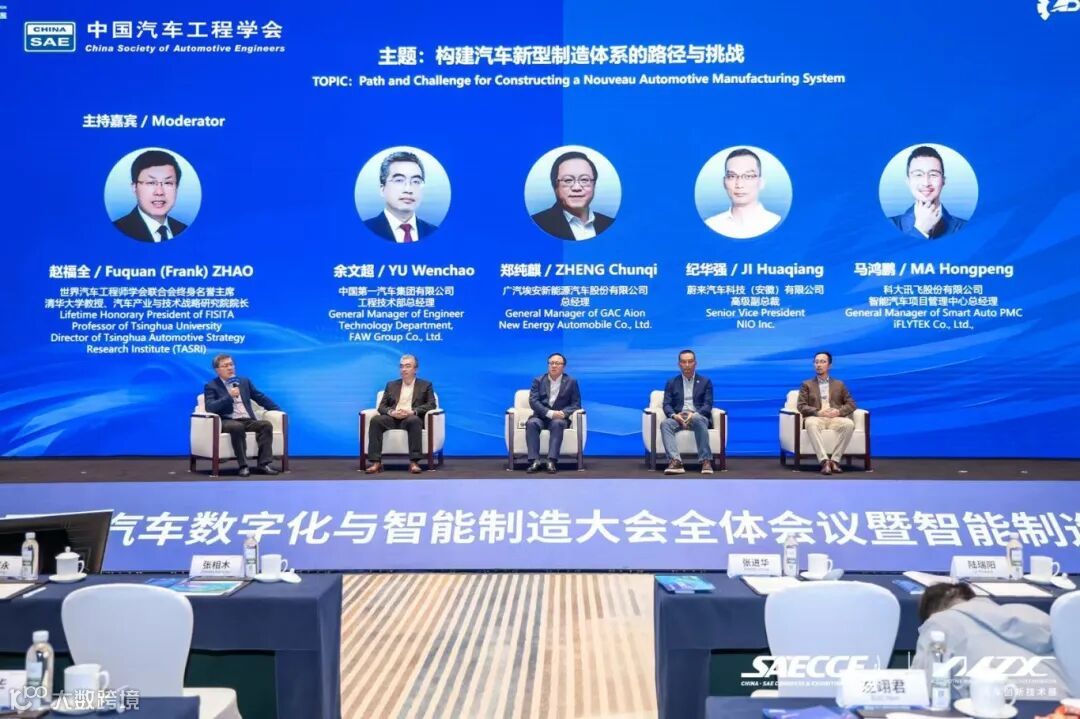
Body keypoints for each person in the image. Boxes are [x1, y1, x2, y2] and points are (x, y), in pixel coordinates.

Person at [912, 583, 1070, 701]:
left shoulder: (939, 623)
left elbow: (922, 694)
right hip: (1065, 708)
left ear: (930, 613)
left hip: (1000, 708)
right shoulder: (1030, 613)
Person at [202, 354, 281, 476]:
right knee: (237, 427)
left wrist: (277, 410)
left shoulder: (244, 382)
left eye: (231, 364)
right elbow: (210, 407)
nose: (230, 368)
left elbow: (259, 397)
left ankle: (263, 464)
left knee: (265, 425)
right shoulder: (211, 386)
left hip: (247, 419)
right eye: (225, 366)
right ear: (217, 370)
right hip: (227, 420)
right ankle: (243, 466)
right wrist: (229, 396)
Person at [365, 354, 437, 474]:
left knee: (414, 420)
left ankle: (414, 462)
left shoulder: (426, 385)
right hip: (393, 418)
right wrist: (392, 412)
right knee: (376, 420)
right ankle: (376, 462)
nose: (404, 369)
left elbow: (431, 404)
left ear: (415, 369)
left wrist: (413, 411)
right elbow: (381, 406)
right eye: (401, 366)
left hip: (411, 418)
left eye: (408, 366)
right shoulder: (391, 385)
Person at [530, 150, 615, 241]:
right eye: (568, 180)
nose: (576, 188)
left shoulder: (609, 224)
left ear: (594, 184)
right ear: (555, 186)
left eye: (584, 180)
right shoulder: (537, 224)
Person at [796, 351, 856, 475]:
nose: (819, 365)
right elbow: (801, 406)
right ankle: (824, 461)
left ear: (829, 365)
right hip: (817, 417)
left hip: (835, 418)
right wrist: (818, 412)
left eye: (822, 362)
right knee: (810, 423)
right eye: (816, 362)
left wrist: (838, 411)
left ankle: (835, 460)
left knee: (849, 424)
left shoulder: (839, 384)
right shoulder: (806, 384)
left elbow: (851, 404)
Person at [889, 145, 967, 239]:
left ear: (943, 181)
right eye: (918, 175)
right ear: (908, 182)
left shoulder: (965, 227)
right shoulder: (891, 224)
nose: (926, 183)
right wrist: (920, 229)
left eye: (933, 175)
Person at [113, 149, 189, 242]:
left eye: (168, 183)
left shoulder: (184, 230)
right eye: (151, 183)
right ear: (134, 187)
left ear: (177, 187)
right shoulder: (118, 230)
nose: (159, 192)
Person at [705, 148, 781, 239]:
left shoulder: (776, 223)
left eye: (748, 176)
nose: (739, 185)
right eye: (732, 176)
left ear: (761, 182)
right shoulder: (711, 225)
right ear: (724, 182)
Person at [363, 151, 438, 243]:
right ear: (382, 189)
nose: (408, 189)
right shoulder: (366, 230)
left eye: (416, 181)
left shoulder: (434, 232)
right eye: (399, 180)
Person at [525, 353, 582, 473]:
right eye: (551, 363)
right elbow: (533, 401)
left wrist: (563, 413)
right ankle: (534, 461)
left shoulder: (571, 382)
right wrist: (549, 413)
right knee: (531, 423)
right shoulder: (538, 380)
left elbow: (576, 404)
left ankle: (551, 461)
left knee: (557, 423)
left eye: (557, 363)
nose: (554, 366)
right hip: (541, 417)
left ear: (563, 366)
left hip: (560, 418)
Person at [661, 350, 714, 475]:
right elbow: (666, 404)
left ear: (695, 363)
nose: (687, 365)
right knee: (665, 424)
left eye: (690, 361)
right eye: (684, 362)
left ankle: (705, 460)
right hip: (679, 417)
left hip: (698, 416)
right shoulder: (671, 382)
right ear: (679, 364)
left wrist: (694, 414)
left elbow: (708, 405)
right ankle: (676, 461)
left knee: (697, 418)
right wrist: (674, 415)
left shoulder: (705, 381)